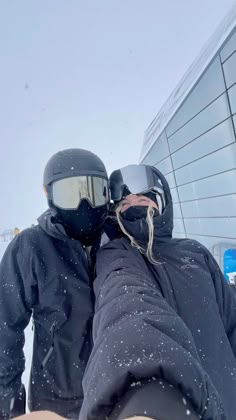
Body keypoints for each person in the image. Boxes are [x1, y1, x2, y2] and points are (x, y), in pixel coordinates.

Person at [80, 164, 236, 420]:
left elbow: (231, 320)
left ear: (160, 203)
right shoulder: (117, 255)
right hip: (175, 405)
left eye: (142, 199)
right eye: (124, 205)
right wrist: (147, 396)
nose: (133, 207)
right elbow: (124, 299)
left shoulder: (194, 252)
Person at [0, 148, 109, 420]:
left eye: (92, 191)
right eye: (70, 194)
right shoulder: (32, 247)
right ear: (50, 196)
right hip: (56, 400)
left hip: (117, 390)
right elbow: (5, 327)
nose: (84, 204)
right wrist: (9, 402)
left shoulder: (117, 242)